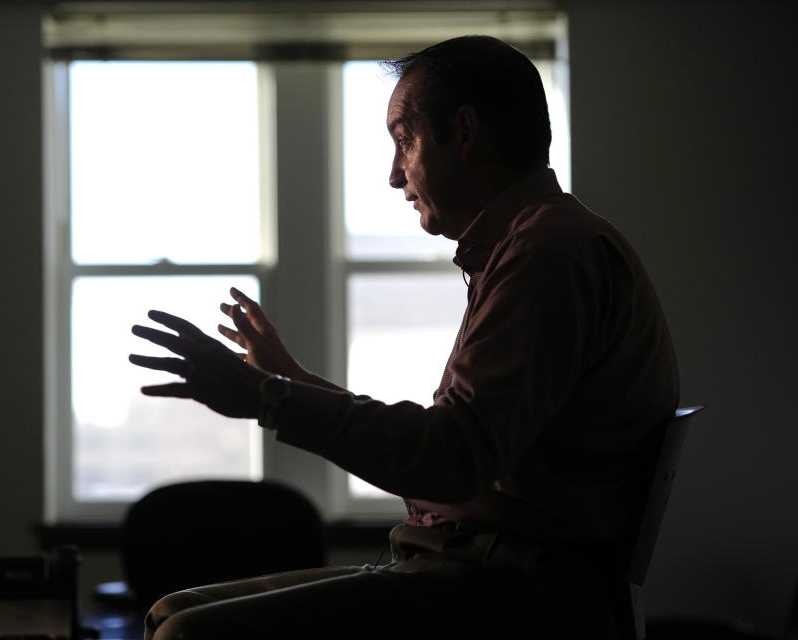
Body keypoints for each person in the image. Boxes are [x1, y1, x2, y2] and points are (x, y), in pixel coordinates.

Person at [129, 35, 679, 639]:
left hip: (518, 595)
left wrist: (270, 398)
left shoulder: (548, 254)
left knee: (187, 633)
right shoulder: (530, 246)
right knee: (169, 613)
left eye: (404, 140)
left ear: (464, 132)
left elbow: (454, 457)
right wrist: (286, 382)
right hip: (477, 570)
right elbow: (458, 445)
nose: (395, 175)